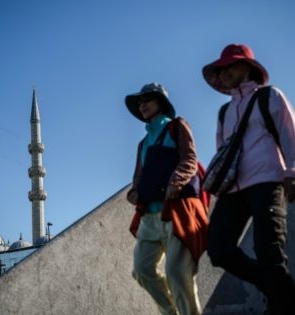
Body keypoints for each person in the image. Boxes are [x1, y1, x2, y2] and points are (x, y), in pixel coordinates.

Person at [202, 44, 295, 315]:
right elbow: (222, 151)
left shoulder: (270, 96)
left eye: (230, 65)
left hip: (268, 181)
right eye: (221, 69)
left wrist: (292, 174)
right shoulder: (224, 112)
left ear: (246, 67)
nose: (225, 72)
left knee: (271, 254)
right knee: (218, 250)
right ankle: (278, 290)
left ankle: (281, 303)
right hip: (233, 191)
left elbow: (290, 137)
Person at [125, 83, 208, 315]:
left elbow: (190, 159)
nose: (142, 106)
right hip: (149, 217)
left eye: (147, 100)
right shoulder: (142, 143)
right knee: (141, 270)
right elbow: (138, 177)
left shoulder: (177, 126)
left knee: (178, 274)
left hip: (176, 212)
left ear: (160, 102)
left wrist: (175, 183)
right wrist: (133, 194)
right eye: (139, 103)